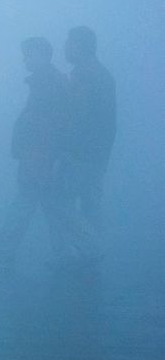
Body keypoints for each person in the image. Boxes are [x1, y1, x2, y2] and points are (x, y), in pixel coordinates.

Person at [0, 37, 101, 268]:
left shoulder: (49, 84)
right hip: (40, 156)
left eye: (28, 55)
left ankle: (3, 253)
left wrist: (48, 156)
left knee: (32, 205)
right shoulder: (47, 82)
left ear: (42, 56)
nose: (24, 59)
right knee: (52, 206)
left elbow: (53, 125)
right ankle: (82, 249)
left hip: (41, 157)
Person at [63, 26, 116, 231]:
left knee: (62, 201)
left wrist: (66, 149)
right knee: (90, 205)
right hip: (97, 153)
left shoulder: (86, 74)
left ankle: (89, 251)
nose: (65, 48)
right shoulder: (100, 73)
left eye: (68, 44)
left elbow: (77, 116)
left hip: (82, 154)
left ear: (78, 46)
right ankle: (91, 253)